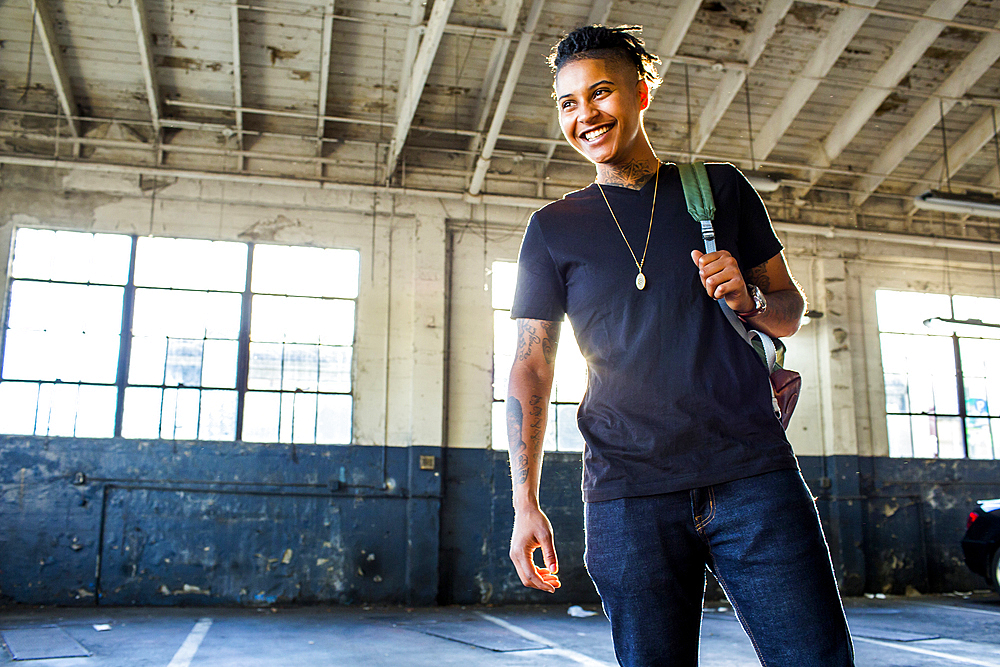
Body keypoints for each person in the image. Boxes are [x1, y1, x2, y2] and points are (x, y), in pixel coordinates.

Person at [505, 24, 855, 667]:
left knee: (814, 658)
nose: (585, 114)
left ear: (642, 92)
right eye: (567, 102)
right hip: (627, 493)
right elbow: (531, 367)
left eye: (601, 92)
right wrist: (525, 502)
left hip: (753, 477)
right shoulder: (553, 229)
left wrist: (749, 297)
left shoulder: (717, 192)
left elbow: (789, 312)